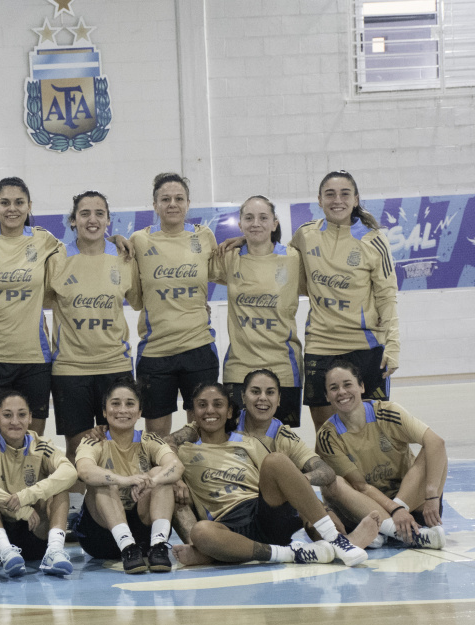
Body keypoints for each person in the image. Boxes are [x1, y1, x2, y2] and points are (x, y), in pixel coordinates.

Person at [172, 383, 368, 568]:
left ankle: (336, 540)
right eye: (202, 405)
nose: (210, 411)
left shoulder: (248, 443)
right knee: (201, 532)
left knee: (276, 460)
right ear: (193, 413)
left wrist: (322, 511)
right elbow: (159, 448)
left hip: (263, 512)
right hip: (226, 524)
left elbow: (278, 480)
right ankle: (292, 553)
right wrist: (178, 478)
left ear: (229, 411)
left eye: (218, 404)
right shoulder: (182, 452)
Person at [293, 171, 399, 431]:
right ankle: (335, 474)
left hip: (364, 346)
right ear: (319, 199)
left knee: (373, 429)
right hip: (320, 343)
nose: (336, 200)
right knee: (327, 430)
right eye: (330, 194)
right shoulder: (305, 235)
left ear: (356, 199)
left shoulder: (374, 240)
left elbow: (387, 297)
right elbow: (281, 265)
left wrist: (393, 344)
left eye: (344, 194)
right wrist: (244, 242)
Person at [0, 177, 62, 436]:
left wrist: (116, 238)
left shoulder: (44, 240)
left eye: (19, 202)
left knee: (32, 441)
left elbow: (83, 251)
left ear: (29, 206)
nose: (12, 209)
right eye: (4, 203)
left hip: (35, 358)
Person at [47, 190, 141, 460]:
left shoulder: (124, 257)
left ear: (108, 220)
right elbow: (33, 299)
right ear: (73, 221)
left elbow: (138, 300)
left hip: (115, 365)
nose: (92, 219)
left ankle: (120, 500)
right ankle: (78, 503)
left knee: (119, 446)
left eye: (99, 213)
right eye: (84, 213)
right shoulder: (57, 258)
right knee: (78, 448)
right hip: (70, 368)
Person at [316, 361, 447, 549]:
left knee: (433, 451)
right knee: (334, 482)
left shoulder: (388, 412)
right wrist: (395, 510)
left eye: (347, 384)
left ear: (361, 386)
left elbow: (437, 443)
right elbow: (360, 486)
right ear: (327, 396)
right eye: (334, 388)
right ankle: (400, 532)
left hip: (408, 503)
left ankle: (384, 531)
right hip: (367, 510)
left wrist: (431, 496)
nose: (342, 392)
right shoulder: (328, 436)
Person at [128, 173, 219, 437]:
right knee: (156, 437)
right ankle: (161, 479)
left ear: (188, 203)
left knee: (203, 429)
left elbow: (221, 270)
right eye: (165, 199)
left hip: (198, 347)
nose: (172, 204)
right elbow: (135, 299)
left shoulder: (204, 236)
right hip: (156, 352)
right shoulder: (139, 240)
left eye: (179, 198)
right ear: (154, 204)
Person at [210, 196, 304, 427]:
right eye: (249, 218)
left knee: (281, 443)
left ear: (275, 223)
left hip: (283, 366)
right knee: (237, 443)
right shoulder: (229, 257)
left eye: (263, 218)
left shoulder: (293, 258)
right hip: (239, 367)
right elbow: (191, 273)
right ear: (240, 224)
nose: (256, 223)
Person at [0, 391, 78, 577]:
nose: (15, 421)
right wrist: (16, 505)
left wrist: (25, 497)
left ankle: (54, 550)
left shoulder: (41, 444)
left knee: (60, 487)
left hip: (33, 531)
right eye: (7, 415)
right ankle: (6, 551)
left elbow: (70, 472)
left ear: (31, 418)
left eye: (22, 414)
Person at [74, 377, 182, 574]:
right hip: (101, 537)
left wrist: (153, 480)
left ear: (139, 412)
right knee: (103, 480)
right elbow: (84, 471)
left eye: (130, 404)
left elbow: (176, 465)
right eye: (115, 404)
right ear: (105, 412)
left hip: (143, 533)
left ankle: (158, 546)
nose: (122, 409)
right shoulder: (93, 442)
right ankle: (127, 547)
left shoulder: (149, 440)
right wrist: (124, 480)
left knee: (161, 474)